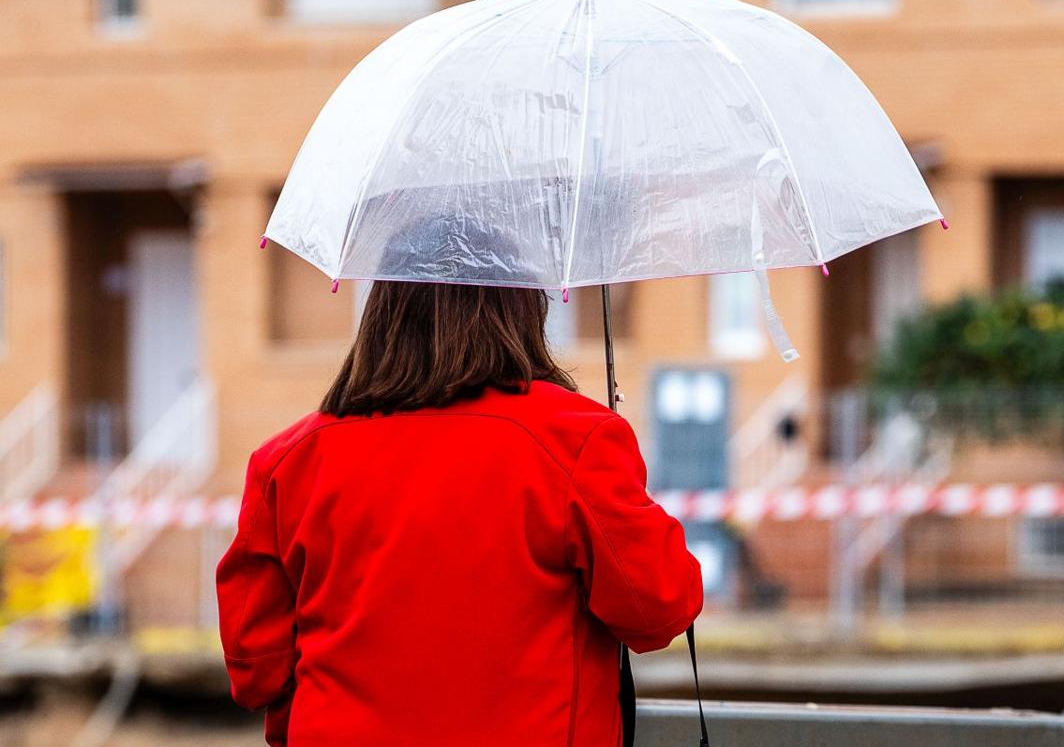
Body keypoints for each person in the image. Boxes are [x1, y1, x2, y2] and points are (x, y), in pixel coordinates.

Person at [215, 280, 703, 746]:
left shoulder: (287, 462)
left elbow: (255, 668)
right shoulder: (575, 439)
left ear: (383, 312)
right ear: (521, 310)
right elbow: (659, 608)